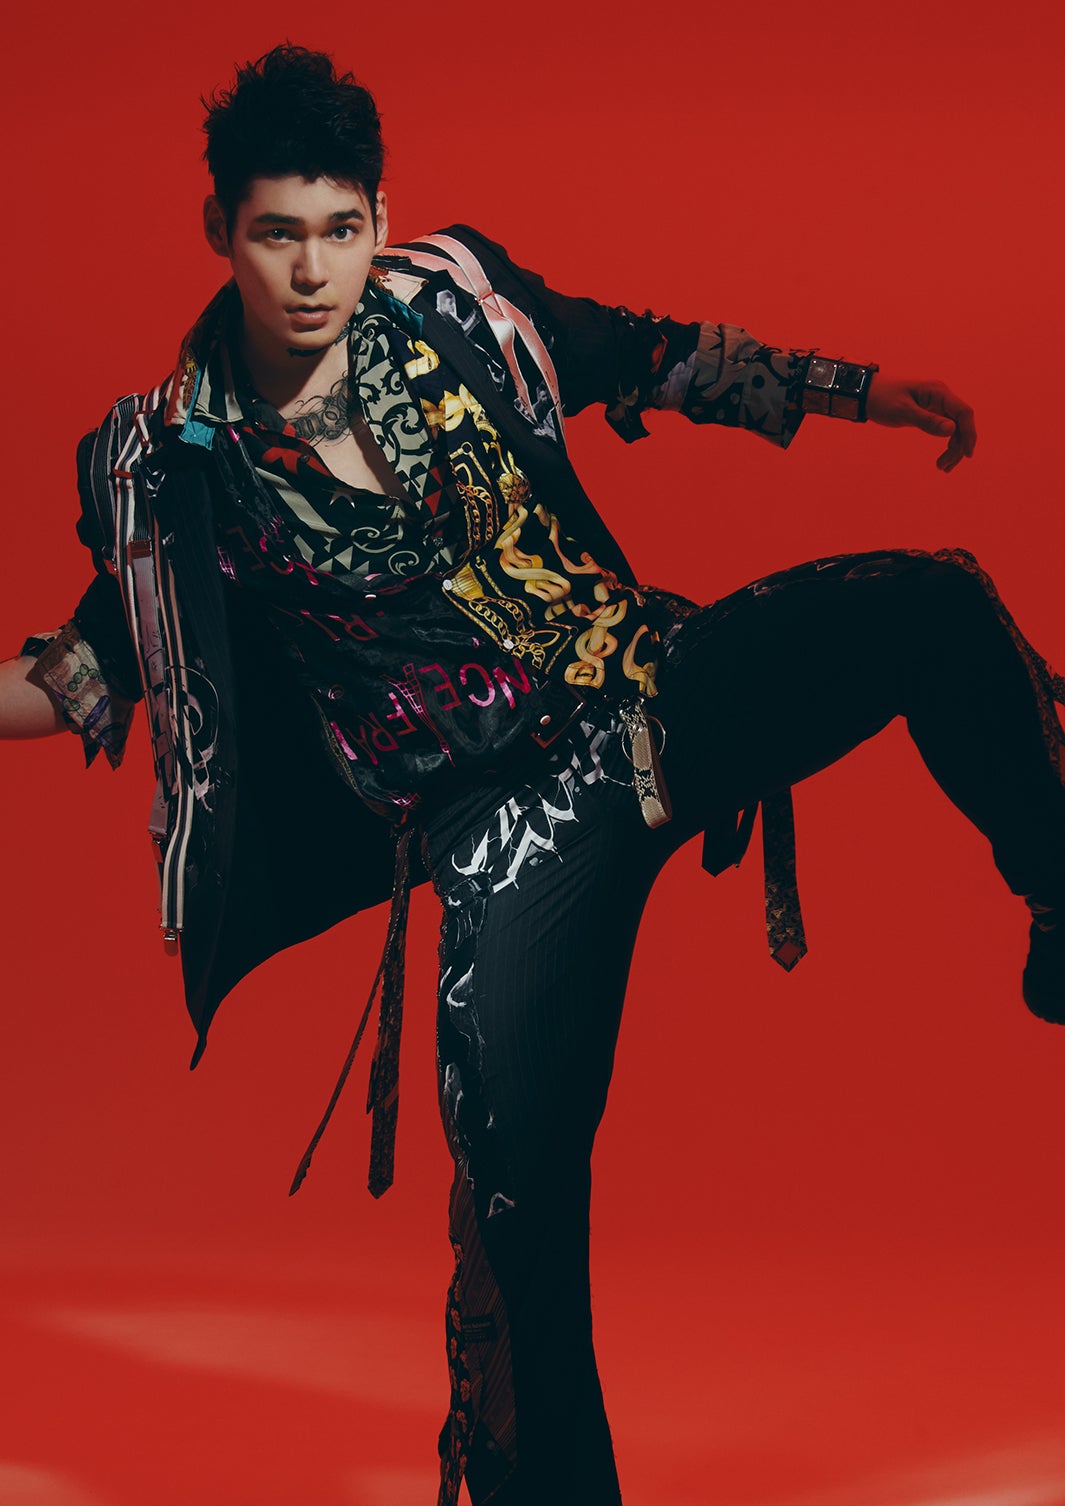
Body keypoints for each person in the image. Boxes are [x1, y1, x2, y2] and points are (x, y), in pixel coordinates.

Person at [2, 42, 1064, 1506]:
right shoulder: (182, 468)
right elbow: (85, 667)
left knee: (931, 602)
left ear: (378, 218)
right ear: (220, 232)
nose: (311, 271)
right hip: (504, 835)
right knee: (515, 1221)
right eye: (275, 233)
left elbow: (647, 353)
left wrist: (856, 388)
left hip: (648, 693)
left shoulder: (454, 299)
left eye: (339, 228)